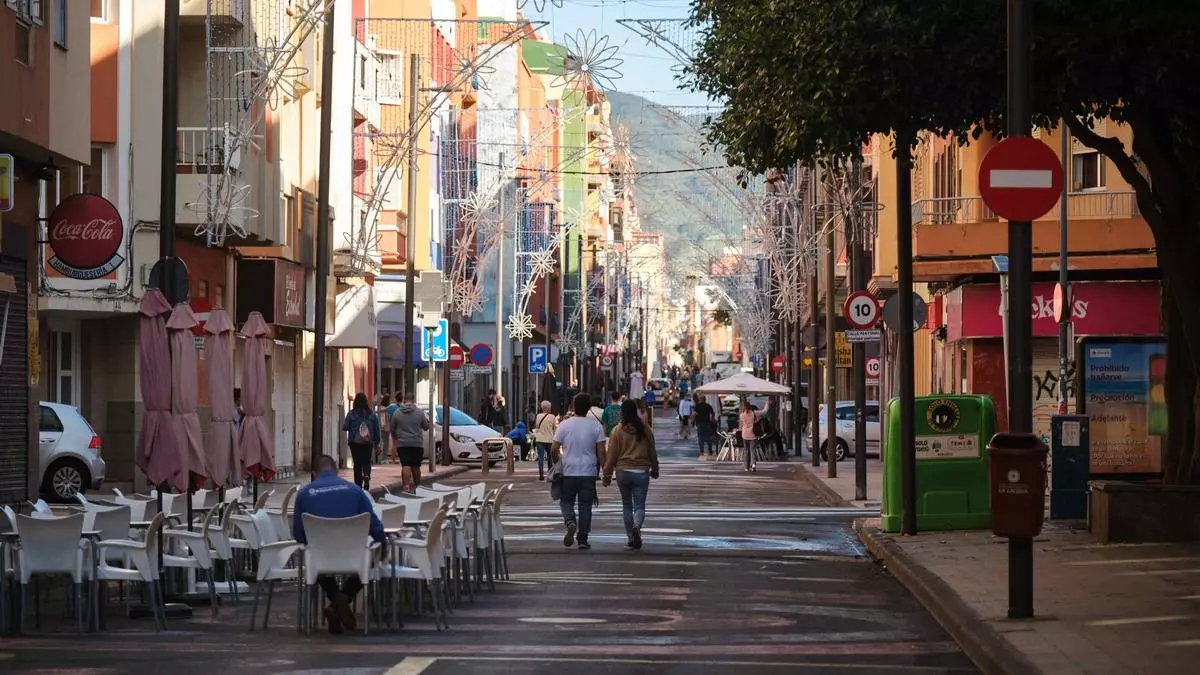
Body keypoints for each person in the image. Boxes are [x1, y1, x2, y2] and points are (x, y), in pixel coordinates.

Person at [292, 454, 385, 634]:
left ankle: (335, 597)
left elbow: (299, 535)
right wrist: (382, 540)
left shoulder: (304, 494)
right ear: (336, 471)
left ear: (314, 473)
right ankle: (344, 597)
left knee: (311, 557)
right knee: (373, 555)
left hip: (320, 559)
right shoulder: (355, 490)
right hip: (355, 558)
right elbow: (375, 527)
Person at [602, 399, 660, 550]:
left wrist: (607, 474)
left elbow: (612, 455)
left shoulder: (617, 430)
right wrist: (655, 467)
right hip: (641, 471)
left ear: (622, 413)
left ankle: (630, 536)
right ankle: (637, 526)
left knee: (626, 505)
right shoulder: (645, 429)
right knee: (640, 505)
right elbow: (652, 451)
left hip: (623, 471)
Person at [552, 392, 606, 550]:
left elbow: (554, 449)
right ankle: (582, 539)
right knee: (585, 506)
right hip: (589, 472)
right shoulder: (596, 426)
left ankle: (570, 521)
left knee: (566, 501)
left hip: (569, 471)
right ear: (589, 408)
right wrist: (606, 472)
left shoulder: (564, 425)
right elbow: (601, 452)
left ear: (573, 406)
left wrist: (557, 463)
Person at [389, 391, 429, 491]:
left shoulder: (397, 413)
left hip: (403, 444)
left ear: (404, 400)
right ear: (413, 399)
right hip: (417, 444)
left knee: (405, 465)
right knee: (416, 466)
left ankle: (406, 487)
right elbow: (425, 427)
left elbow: (392, 428)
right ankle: (418, 486)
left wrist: (396, 437)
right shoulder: (420, 413)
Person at [342, 393, 381, 490]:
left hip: (354, 442)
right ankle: (366, 475)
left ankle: (358, 485)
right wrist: (377, 443)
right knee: (367, 461)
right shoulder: (372, 414)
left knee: (357, 463)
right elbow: (376, 430)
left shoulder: (351, 413)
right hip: (368, 442)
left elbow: (345, 427)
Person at [533, 401, 557, 481]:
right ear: (548, 408)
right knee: (550, 458)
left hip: (540, 439)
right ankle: (550, 475)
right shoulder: (552, 416)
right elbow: (554, 427)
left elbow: (537, 426)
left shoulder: (538, 416)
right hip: (549, 439)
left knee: (541, 457)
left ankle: (541, 474)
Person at [739, 399, 761, 472]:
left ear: (744, 407)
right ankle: (753, 465)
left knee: (746, 451)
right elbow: (764, 411)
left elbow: (742, 424)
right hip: (752, 434)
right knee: (753, 450)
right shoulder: (754, 413)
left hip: (745, 434)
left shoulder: (741, 415)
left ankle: (746, 467)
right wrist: (767, 404)